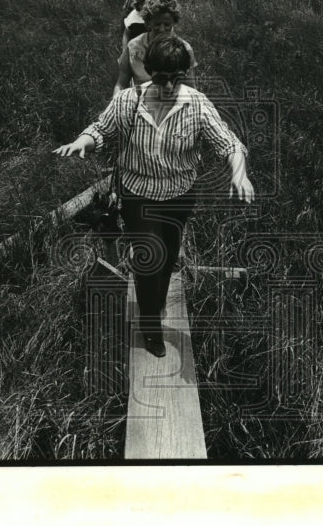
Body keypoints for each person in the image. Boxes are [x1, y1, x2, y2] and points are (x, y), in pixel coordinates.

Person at [54, 36, 254, 357]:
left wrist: (239, 173)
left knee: (167, 258)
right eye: (162, 78)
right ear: (149, 72)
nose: (170, 86)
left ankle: (156, 299)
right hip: (139, 196)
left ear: (185, 74)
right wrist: (82, 142)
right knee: (150, 259)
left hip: (178, 198)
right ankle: (151, 328)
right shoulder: (129, 101)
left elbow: (228, 143)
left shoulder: (198, 105)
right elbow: (101, 129)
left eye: (178, 78)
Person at [114, 0, 195, 98]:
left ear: (174, 23)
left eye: (167, 25)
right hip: (141, 106)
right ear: (148, 24)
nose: (162, 29)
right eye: (157, 24)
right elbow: (121, 83)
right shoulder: (133, 47)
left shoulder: (185, 49)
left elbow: (191, 89)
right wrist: (116, 105)